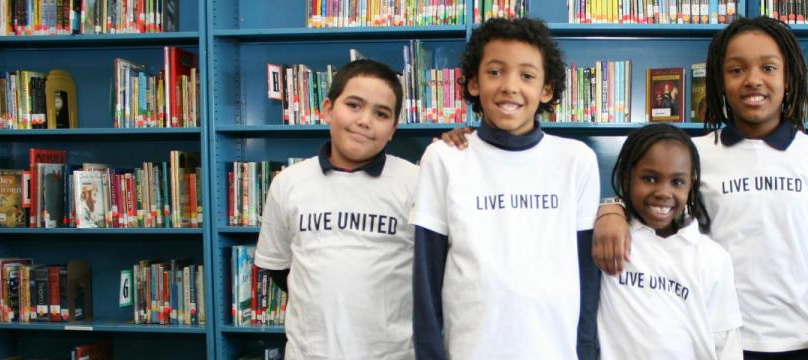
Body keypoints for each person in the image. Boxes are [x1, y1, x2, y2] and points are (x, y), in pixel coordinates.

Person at [594, 17, 808, 360]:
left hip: (799, 342)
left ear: (788, 77)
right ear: (719, 81)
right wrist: (610, 210)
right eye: (736, 70)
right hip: (709, 335)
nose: (753, 80)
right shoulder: (694, 155)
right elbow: (654, 205)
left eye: (768, 67)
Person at [411, 17, 600, 359]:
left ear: (546, 89)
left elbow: (588, 277)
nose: (510, 86)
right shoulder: (444, 159)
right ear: (472, 83)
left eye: (526, 75)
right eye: (495, 71)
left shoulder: (577, 160)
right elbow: (426, 280)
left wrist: (585, 352)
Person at [254, 59, 417, 359]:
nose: (365, 120)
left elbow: (433, 271)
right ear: (327, 109)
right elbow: (278, 267)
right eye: (354, 105)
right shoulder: (288, 183)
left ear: (393, 129)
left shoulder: (415, 183)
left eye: (381, 114)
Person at [596, 123, 743, 359]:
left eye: (677, 182)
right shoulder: (610, 238)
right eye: (650, 178)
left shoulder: (712, 258)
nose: (664, 192)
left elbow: (726, 342)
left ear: (691, 185)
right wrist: (608, 209)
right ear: (626, 177)